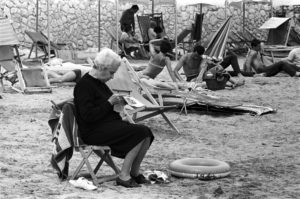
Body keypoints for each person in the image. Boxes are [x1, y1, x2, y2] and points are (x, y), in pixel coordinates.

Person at [73, 48, 154, 188]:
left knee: (147, 133)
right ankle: (123, 176)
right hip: (93, 131)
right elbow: (88, 116)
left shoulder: (100, 84)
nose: (112, 77)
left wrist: (118, 104)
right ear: (102, 68)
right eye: (111, 73)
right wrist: (109, 102)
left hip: (106, 126)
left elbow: (106, 107)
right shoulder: (84, 85)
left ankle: (134, 172)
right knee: (140, 132)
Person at [173, 45, 246, 85]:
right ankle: (234, 81)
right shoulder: (185, 57)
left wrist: (213, 64)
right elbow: (175, 71)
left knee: (220, 69)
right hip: (191, 78)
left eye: (198, 56)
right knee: (218, 75)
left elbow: (204, 66)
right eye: (195, 56)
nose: (196, 58)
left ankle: (235, 82)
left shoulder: (201, 58)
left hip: (201, 76)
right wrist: (182, 81)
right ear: (193, 51)